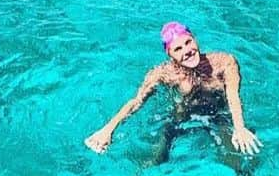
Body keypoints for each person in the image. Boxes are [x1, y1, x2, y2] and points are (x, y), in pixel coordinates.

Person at [84, 22, 263, 165]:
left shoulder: (224, 63)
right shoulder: (163, 74)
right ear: (170, 55)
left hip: (217, 115)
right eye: (178, 49)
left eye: (188, 42)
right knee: (157, 159)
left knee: (237, 159)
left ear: (195, 39)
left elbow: (233, 95)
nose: (187, 51)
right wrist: (108, 129)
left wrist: (239, 127)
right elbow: (136, 102)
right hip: (181, 118)